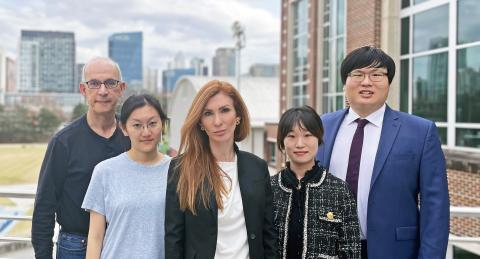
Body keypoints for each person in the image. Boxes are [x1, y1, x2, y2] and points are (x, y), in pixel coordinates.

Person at [316, 46, 450, 259]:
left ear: (389, 82)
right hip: (329, 249)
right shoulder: (321, 126)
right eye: (357, 74)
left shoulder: (420, 131)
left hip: (393, 251)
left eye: (377, 75)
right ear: (345, 82)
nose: (366, 82)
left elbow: (435, 206)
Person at [165, 80, 278, 259]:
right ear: (201, 122)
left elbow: (268, 234)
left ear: (238, 116)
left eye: (225, 110)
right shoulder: (182, 168)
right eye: (208, 114)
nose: (218, 121)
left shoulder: (257, 167)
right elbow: (174, 238)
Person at [32, 57, 130, 259]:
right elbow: (45, 206)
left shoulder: (132, 137)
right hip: (76, 247)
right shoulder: (63, 142)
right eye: (94, 83)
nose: (103, 91)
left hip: (123, 243)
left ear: (121, 89)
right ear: (83, 90)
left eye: (110, 83)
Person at [82, 94, 171, 259]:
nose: (146, 132)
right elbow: (95, 237)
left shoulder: (177, 171)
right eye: (137, 125)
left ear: (163, 125)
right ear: (124, 128)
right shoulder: (104, 171)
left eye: (152, 123)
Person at [271, 106, 360, 259]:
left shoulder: (340, 191)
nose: (300, 144)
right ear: (282, 143)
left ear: (318, 139)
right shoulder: (269, 188)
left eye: (307, 135)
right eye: (291, 136)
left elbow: (351, 250)